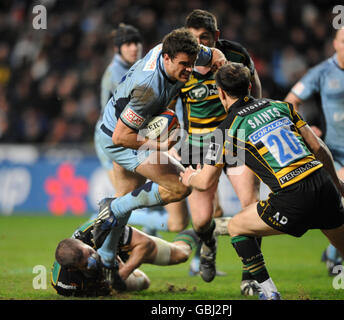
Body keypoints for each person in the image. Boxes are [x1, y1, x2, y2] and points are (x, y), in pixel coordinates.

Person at [180, 62, 344, 299]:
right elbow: (319, 147)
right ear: (248, 86)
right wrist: (336, 182)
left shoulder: (225, 130)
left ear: (221, 93)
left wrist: (189, 177)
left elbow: (205, 182)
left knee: (236, 226)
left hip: (292, 195)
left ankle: (269, 293)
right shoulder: (280, 106)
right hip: (323, 184)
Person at [92, 27, 226, 289]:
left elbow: (214, 56)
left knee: (126, 204)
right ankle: (113, 208)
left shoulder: (179, 52)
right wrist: (160, 145)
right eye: (183, 66)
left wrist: (220, 60)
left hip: (128, 128)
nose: (188, 71)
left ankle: (107, 260)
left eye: (191, 64)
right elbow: (122, 137)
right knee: (179, 186)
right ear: (166, 58)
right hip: (119, 139)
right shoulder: (148, 89)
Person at [171, 9, 261, 290]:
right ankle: (208, 244)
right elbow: (166, 106)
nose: (199, 45)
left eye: (205, 38)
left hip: (234, 138)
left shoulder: (236, 55)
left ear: (216, 37)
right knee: (200, 222)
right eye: (194, 38)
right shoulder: (180, 61)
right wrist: (171, 140)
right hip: (196, 144)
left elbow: (255, 90)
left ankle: (252, 275)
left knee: (251, 209)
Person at [285, 25, 344, 275]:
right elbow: (289, 102)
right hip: (338, 151)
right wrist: (303, 128)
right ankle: (335, 244)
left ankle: (331, 254)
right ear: (335, 44)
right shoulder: (322, 72)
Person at [95, 23, 188, 237]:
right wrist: (161, 144)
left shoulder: (155, 56)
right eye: (128, 44)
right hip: (117, 135)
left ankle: (110, 255)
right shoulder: (120, 74)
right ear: (118, 48)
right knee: (129, 199)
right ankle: (106, 217)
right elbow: (123, 123)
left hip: (131, 132)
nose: (134, 47)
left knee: (132, 198)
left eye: (136, 42)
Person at [51, 218, 200, 297]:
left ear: (84, 244)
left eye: (91, 252)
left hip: (121, 247)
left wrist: (123, 272)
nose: (94, 258)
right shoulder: (64, 284)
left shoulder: (100, 231)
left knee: (182, 255)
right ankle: (132, 274)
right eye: (87, 263)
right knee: (143, 283)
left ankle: (198, 231)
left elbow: (145, 244)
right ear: (71, 269)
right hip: (109, 270)